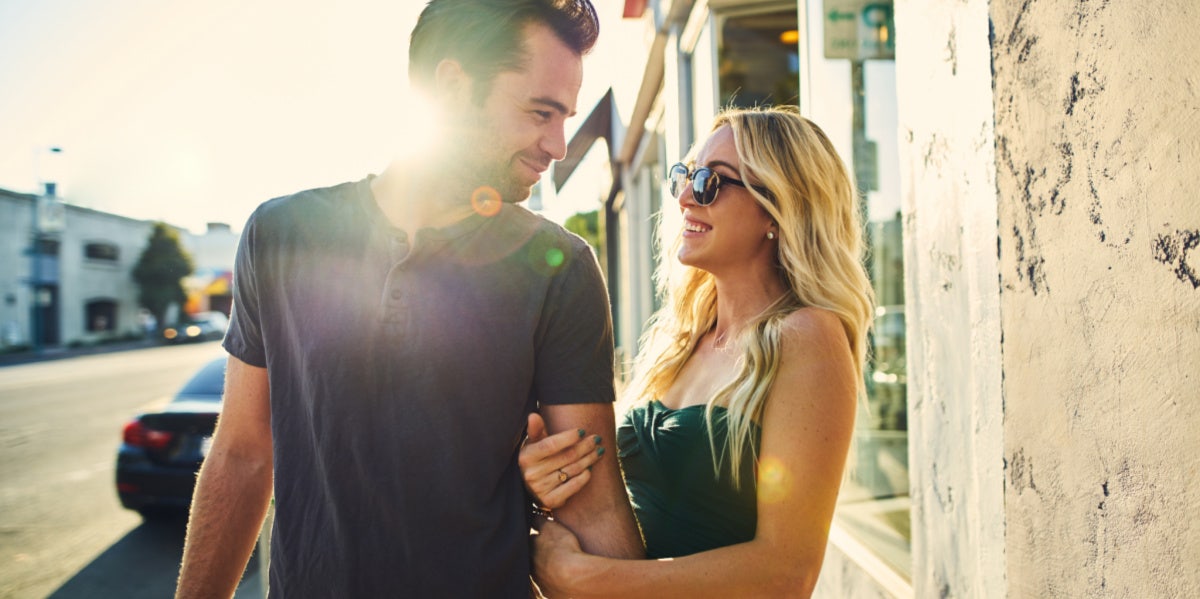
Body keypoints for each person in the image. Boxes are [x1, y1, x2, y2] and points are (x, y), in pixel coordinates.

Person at [174, 1, 643, 597]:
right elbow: (241, 453)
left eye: (566, 117)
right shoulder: (281, 234)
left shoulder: (561, 268)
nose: (558, 144)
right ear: (451, 86)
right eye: (539, 112)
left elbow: (595, 501)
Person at [519, 105, 875, 597]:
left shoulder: (806, 336)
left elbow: (787, 573)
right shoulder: (680, 340)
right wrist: (549, 481)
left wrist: (587, 580)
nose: (686, 196)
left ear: (777, 208)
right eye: (685, 176)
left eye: (711, 182)